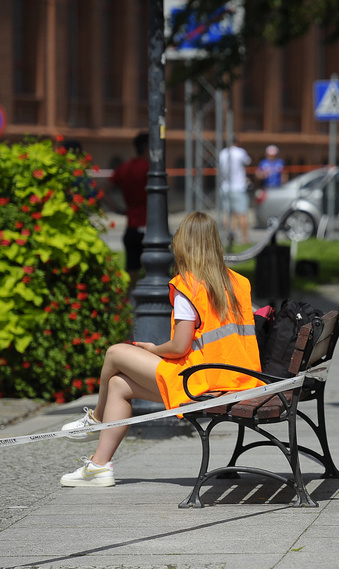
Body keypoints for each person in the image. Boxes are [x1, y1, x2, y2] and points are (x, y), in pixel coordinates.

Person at [59, 211, 263, 487]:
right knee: (119, 384)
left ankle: (95, 418)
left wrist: (153, 349)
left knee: (114, 353)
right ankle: (98, 467)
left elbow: (179, 347)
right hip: (239, 379)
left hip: (202, 381)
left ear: (182, 245)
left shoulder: (188, 285)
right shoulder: (239, 282)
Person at [108, 132, 149, 287]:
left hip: (131, 224)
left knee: (131, 270)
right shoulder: (150, 169)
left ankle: (125, 305)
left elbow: (103, 191)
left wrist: (118, 209)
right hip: (149, 225)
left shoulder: (124, 168)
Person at [219, 140, 252, 243]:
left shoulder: (222, 153)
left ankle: (227, 238)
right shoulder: (240, 152)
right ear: (237, 142)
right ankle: (245, 239)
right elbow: (248, 161)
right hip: (238, 187)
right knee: (242, 214)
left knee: (227, 214)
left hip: (225, 187)